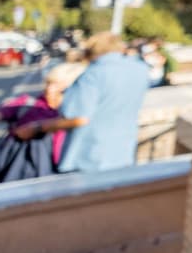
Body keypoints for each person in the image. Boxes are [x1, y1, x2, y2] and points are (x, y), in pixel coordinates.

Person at [50, 32, 152, 174]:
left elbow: (78, 118)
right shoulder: (140, 69)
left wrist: (38, 128)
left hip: (87, 157)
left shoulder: (93, 74)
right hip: (123, 152)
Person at [0, 62, 88, 182]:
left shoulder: (77, 114)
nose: (50, 89)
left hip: (65, 173)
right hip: (24, 175)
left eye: (58, 85)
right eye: (49, 83)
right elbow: (1, 113)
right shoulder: (28, 103)